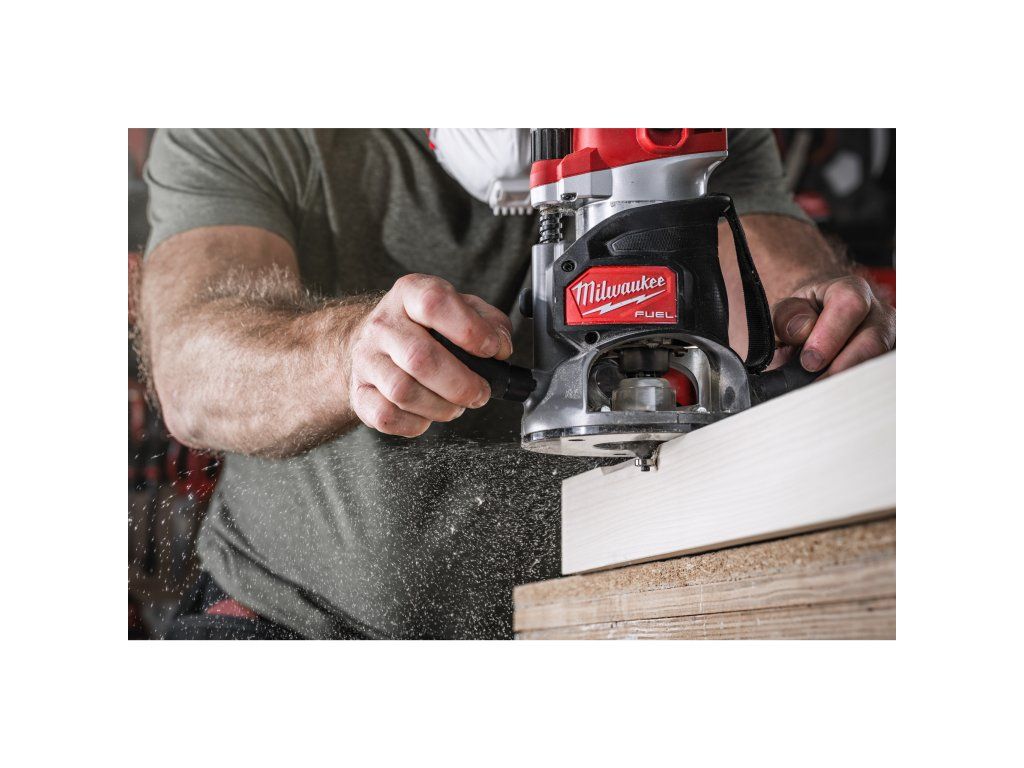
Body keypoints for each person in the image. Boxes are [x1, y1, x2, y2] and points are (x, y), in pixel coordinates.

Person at [138, 129, 896, 639]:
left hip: (615, 617)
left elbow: (785, 269)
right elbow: (193, 365)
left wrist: (827, 316)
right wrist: (347, 353)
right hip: (296, 624)